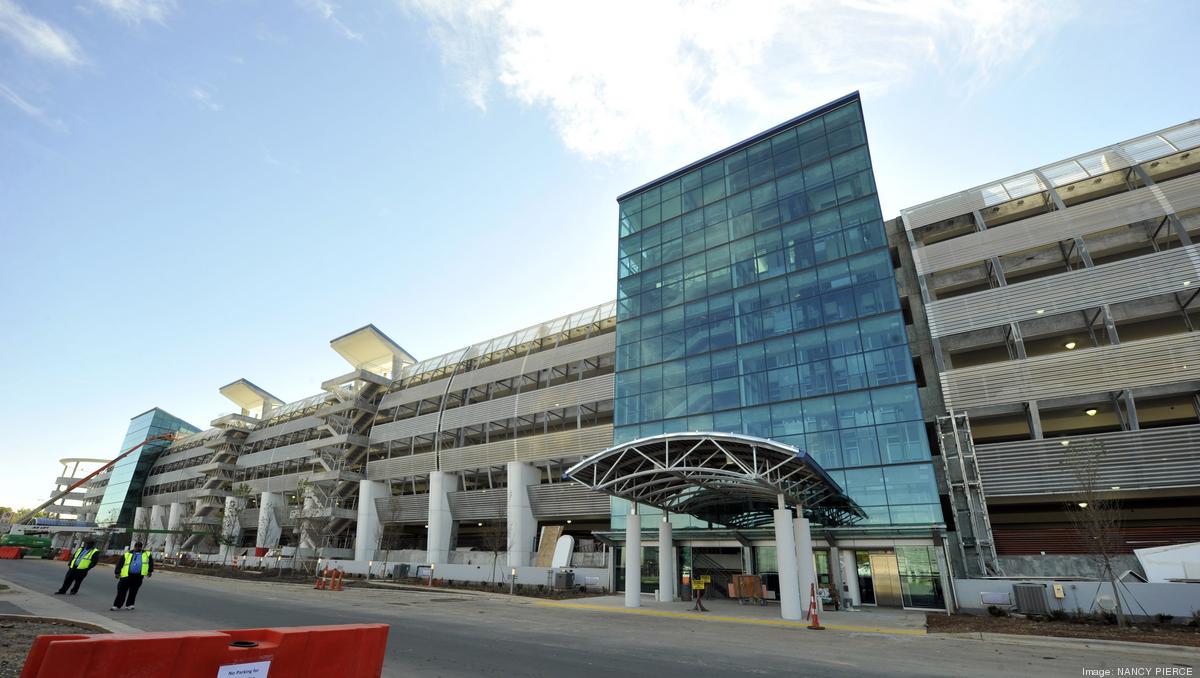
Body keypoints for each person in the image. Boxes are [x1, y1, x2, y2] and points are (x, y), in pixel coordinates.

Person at [111, 541, 153, 611]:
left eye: (139, 547)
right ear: (134, 547)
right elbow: (120, 563)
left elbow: (150, 563)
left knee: (133, 591)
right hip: (126, 575)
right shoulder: (127, 554)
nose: (137, 548)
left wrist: (150, 571)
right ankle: (117, 605)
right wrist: (117, 572)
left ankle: (130, 604)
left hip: (138, 576)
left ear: (141, 547)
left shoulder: (147, 554)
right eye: (136, 547)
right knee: (122, 591)